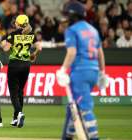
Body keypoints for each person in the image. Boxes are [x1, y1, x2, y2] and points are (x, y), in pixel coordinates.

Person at [56, 1, 107, 140]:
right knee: (74, 107)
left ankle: (94, 138)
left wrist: (63, 69)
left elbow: (72, 52)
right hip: (93, 71)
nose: (65, 17)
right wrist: (102, 73)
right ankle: (67, 137)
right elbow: (100, 53)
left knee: (84, 107)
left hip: (80, 72)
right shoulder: (93, 30)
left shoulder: (71, 30)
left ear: (72, 15)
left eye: (67, 14)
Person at [1, 14, 42, 128]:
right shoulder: (31, 35)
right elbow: (39, 47)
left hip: (15, 64)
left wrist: (2, 43)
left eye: (16, 22)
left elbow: (6, 49)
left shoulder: (13, 35)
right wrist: (34, 55)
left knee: (14, 92)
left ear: (18, 24)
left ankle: (19, 113)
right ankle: (15, 118)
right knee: (20, 91)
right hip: (26, 65)